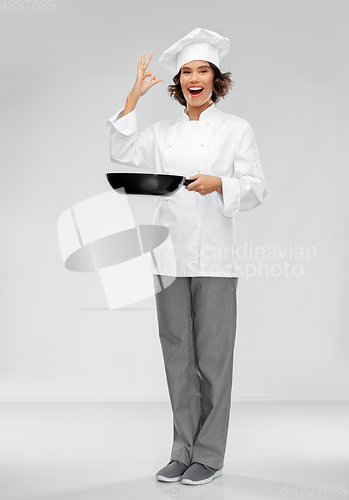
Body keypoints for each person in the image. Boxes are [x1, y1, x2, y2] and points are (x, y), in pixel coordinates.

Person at [106, 27, 269, 486]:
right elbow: (121, 150)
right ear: (178, 84)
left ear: (217, 80)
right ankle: (182, 450)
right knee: (177, 354)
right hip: (168, 259)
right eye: (186, 72)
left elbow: (257, 188)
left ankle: (210, 454)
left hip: (216, 260)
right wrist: (133, 98)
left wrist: (220, 184)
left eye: (203, 70)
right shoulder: (161, 133)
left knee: (213, 359)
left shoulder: (237, 130)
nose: (194, 78)